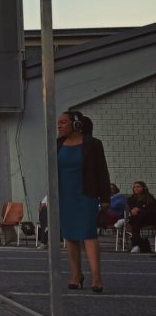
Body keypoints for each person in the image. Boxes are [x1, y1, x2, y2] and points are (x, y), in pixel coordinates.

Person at [56, 110, 110, 292]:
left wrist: (105, 198)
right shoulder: (58, 144)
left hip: (86, 194)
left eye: (63, 122)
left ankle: (96, 277)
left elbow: (102, 171)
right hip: (65, 195)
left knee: (88, 234)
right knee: (70, 236)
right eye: (59, 123)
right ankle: (76, 274)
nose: (59, 126)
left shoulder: (93, 144)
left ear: (76, 124)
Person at [126, 181, 156, 254]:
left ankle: (135, 245)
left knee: (135, 219)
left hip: (149, 218)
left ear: (143, 188)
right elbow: (130, 209)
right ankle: (136, 246)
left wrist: (139, 210)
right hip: (137, 219)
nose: (136, 188)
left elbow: (152, 210)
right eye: (134, 187)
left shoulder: (149, 197)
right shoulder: (131, 199)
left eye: (138, 187)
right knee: (135, 220)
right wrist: (133, 211)